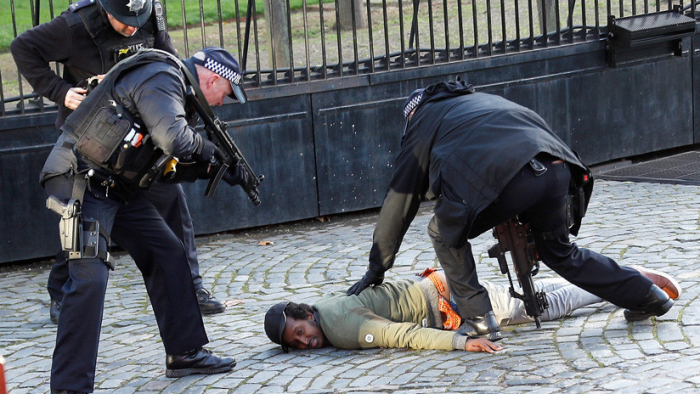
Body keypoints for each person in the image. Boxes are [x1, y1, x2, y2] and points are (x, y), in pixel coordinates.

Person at [346, 79, 676, 341]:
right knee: (560, 252)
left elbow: (398, 204)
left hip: (511, 177)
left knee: (442, 232)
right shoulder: (477, 102)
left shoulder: (422, 123)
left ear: (411, 116)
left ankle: (479, 320)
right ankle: (647, 296)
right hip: (558, 167)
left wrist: (377, 268)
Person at [37, 46, 251, 394]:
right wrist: (210, 151)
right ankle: (69, 388)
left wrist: (212, 168)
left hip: (116, 186)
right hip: (80, 180)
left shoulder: (174, 91)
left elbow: (160, 164)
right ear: (212, 78)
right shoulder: (163, 76)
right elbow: (173, 138)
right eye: (226, 93)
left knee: (167, 252)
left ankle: (185, 353)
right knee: (90, 278)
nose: (222, 103)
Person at [10, 0, 225, 322]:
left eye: (137, 18)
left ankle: (191, 286)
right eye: (123, 20)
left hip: (142, 137)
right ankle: (63, 293)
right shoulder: (75, 25)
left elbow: (169, 61)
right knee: (84, 220)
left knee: (172, 204)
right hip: (91, 139)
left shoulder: (150, 15)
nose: (132, 27)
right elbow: (23, 47)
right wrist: (59, 91)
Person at [266, 266, 681, 352]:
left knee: (548, 305)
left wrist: (460, 342)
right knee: (540, 297)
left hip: (452, 303)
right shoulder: (325, 308)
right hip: (442, 290)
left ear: (305, 313)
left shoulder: (338, 326)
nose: (307, 342)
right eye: (297, 344)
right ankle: (627, 282)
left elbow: (403, 335)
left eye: (301, 331)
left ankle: (635, 281)